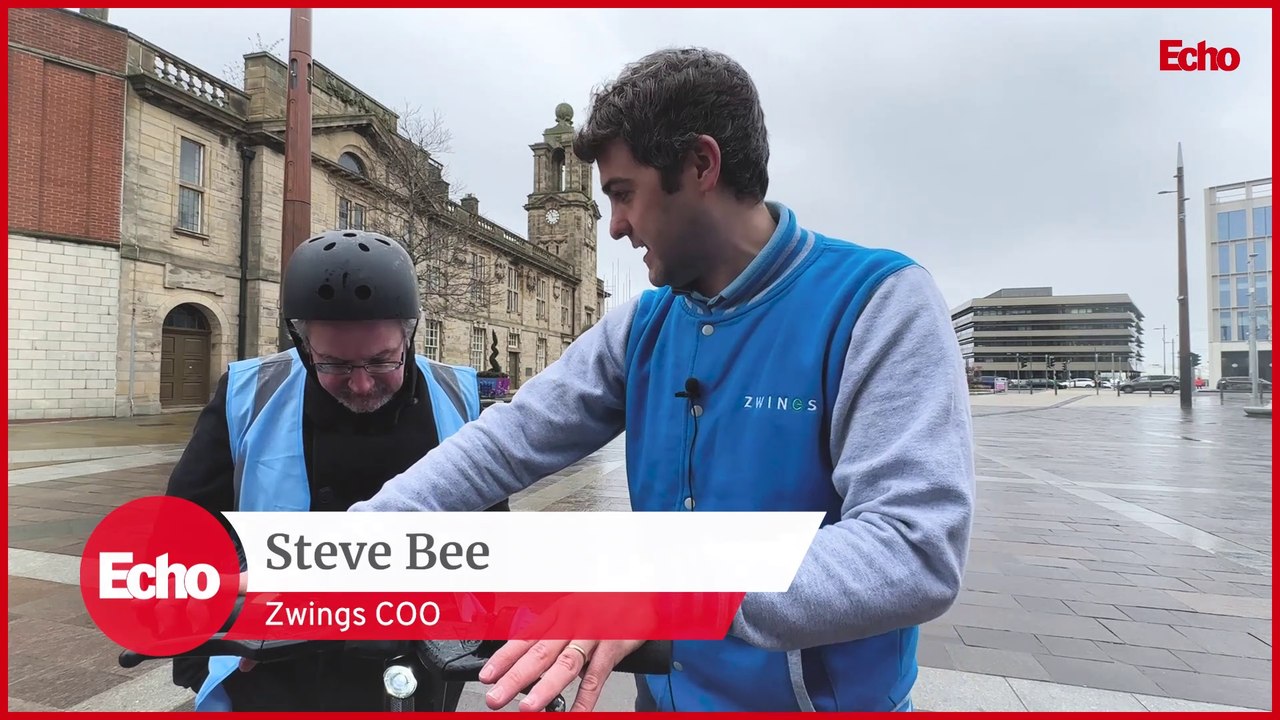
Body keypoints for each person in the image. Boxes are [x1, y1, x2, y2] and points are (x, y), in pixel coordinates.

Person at [349, 47, 975, 712]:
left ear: (701, 165)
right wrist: (356, 542)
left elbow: (913, 551)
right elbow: (510, 438)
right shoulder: (644, 326)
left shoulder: (877, 302)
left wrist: (665, 589)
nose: (617, 225)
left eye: (624, 193)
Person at [165, 228, 508, 712]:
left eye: (382, 361)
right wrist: (203, 647)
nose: (362, 384)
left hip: (421, 653)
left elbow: (491, 533)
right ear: (304, 345)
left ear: (409, 334)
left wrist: (489, 635)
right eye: (335, 365)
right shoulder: (248, 393)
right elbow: (186, 528)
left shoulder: (458, 394)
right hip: (279, 663)